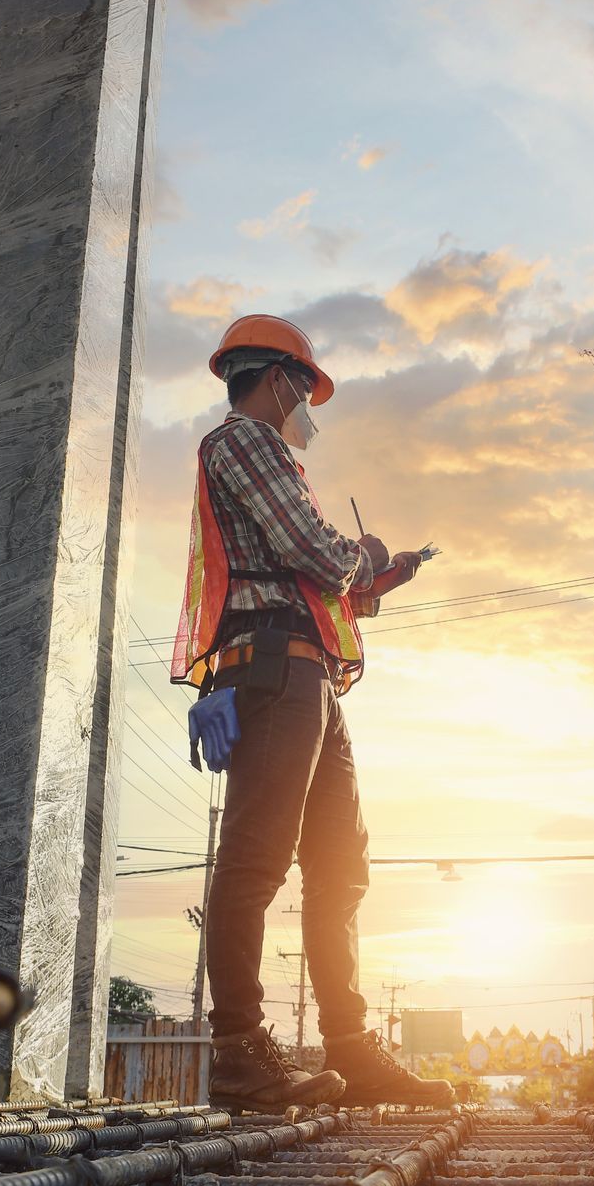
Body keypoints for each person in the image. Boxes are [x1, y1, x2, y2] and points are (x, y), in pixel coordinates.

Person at [171, 314, 454, 1112]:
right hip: (272, 673)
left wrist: (377, 579)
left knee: (341, 870)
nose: (308, 407)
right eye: (304, 387)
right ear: (276, 379)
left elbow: (320, 579)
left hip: (307, 675)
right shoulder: (242, 443)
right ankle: (238, 1053)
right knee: (257, 860)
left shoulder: (264, 452)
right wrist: (362, 552)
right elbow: (318, 553)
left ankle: (351, 1052)